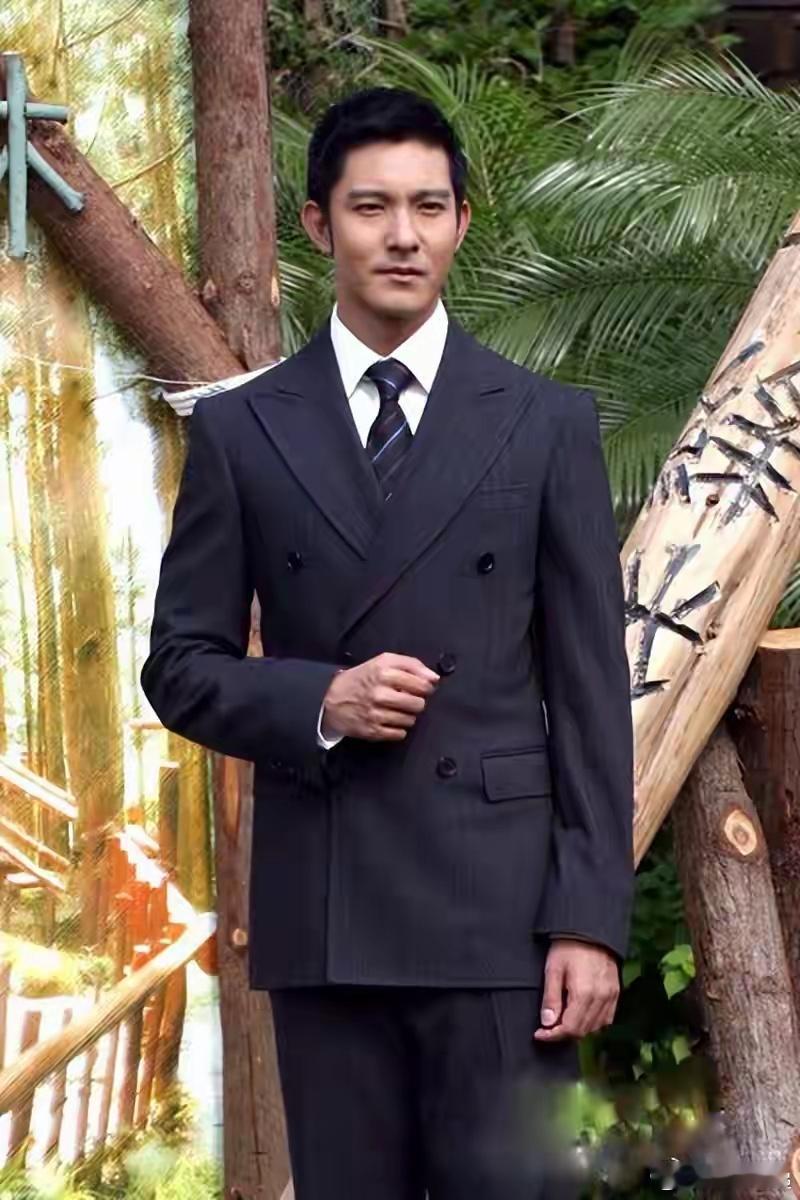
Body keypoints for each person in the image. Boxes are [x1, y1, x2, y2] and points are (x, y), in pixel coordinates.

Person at [141, 85, 635, 1200]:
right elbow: (179, 667)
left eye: (427, 206)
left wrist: (588, 920)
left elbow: (591, 700)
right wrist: (321, 701)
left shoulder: (545, 423)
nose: (402, 235)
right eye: (371, 208)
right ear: (319, 226)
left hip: (506, 923)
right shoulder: (242, 429)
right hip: (330, 915)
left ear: (461, 221)